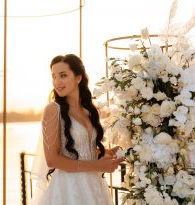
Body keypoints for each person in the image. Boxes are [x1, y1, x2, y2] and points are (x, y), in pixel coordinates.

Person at [31, 54, 125, 205]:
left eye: (63, 76)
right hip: (68, 189)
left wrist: (103, 153)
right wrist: (98, 165)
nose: (57, 82)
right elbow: (52, 159)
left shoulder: (88, 110)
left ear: (78, 77)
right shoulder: (53, 109)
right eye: (54, 77)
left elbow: (80, 150)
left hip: (94, 185)